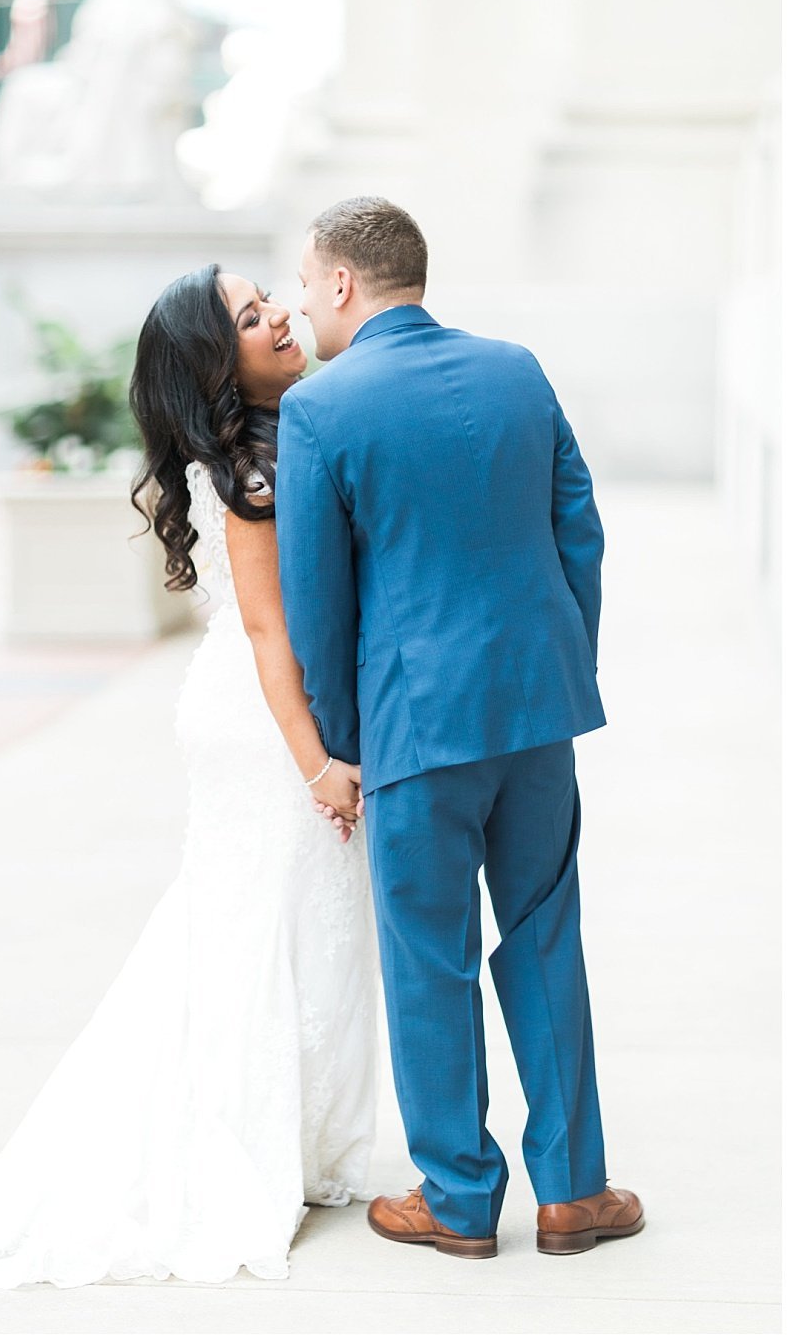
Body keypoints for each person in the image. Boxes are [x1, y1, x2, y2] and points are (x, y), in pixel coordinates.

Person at [0, 265, 378, 1288]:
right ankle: (239, 1139)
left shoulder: (269, 441)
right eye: (248, 315)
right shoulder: (248, 469)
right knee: (253, 931)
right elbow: (272, 627)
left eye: (269, 295)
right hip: (263, 717)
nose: (276, 313)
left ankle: (297, 1137)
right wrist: (314, 757)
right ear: (213, 361)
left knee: (274, 923)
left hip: (251, 704)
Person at [276, 195, 644, 1259]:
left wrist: (341, 742)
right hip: (533, 711)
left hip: (413, 726)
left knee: (429, 958)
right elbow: (579, 527)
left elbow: (317, 601)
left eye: (306, 282)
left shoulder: (322, 409)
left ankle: (457, 1194)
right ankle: (573, 1191)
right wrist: (561, 659)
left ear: (343, 283)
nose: (302, 302)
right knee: (542, 934)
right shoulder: (515, 369)